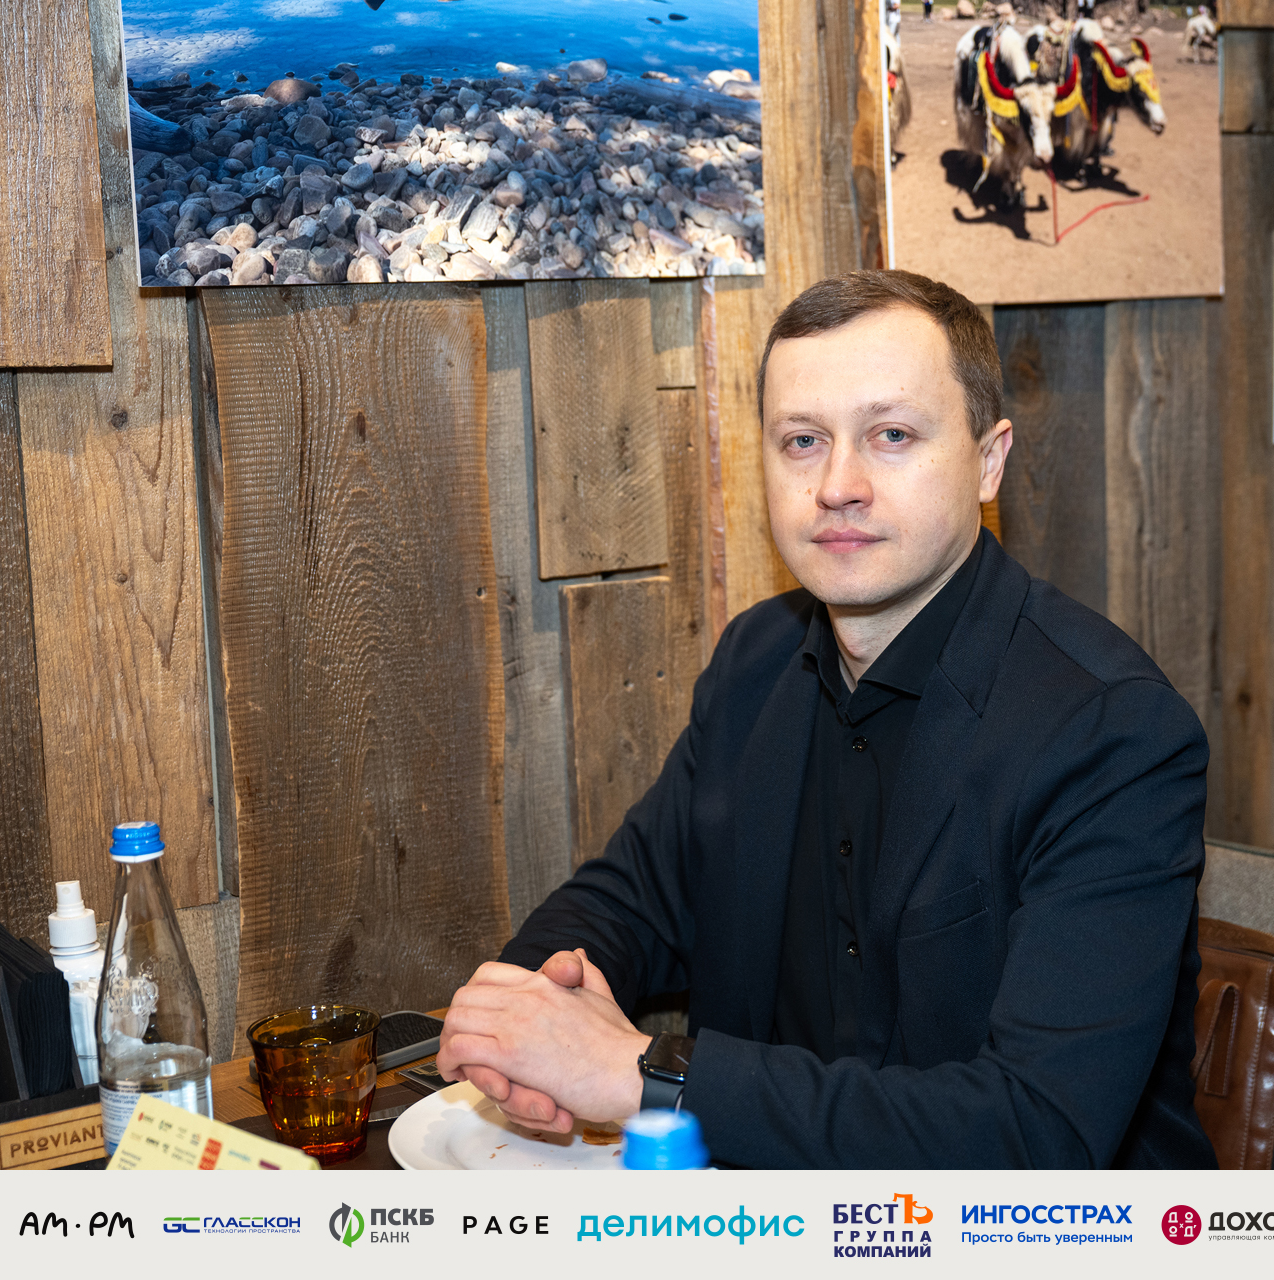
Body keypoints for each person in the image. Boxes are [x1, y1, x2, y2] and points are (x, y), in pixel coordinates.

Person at [435, 270, 1215, 1169]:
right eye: (802, 441)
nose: (839, 485)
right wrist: (529, 1011)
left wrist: (647, 1075)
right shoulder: (755, 662)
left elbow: (1035, 1133)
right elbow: (632, 901)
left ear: (989, 460)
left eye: (892, 435)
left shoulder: (1112, 732)